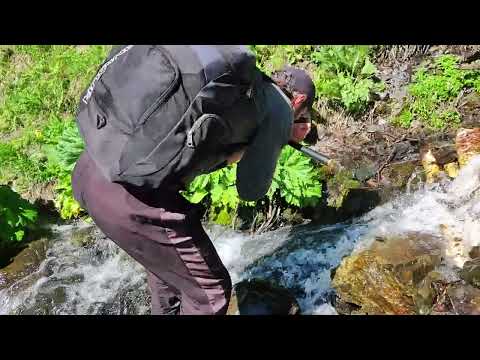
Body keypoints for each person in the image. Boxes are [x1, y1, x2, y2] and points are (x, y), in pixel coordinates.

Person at [71, 45, 316, 315]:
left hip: (92, 170)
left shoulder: (229, 86)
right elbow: (251, 190)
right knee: (209, 294)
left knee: (172, 277)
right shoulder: (280, 110)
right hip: (130, 199)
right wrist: (276, 138)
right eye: (303, 115)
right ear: (298, 100)